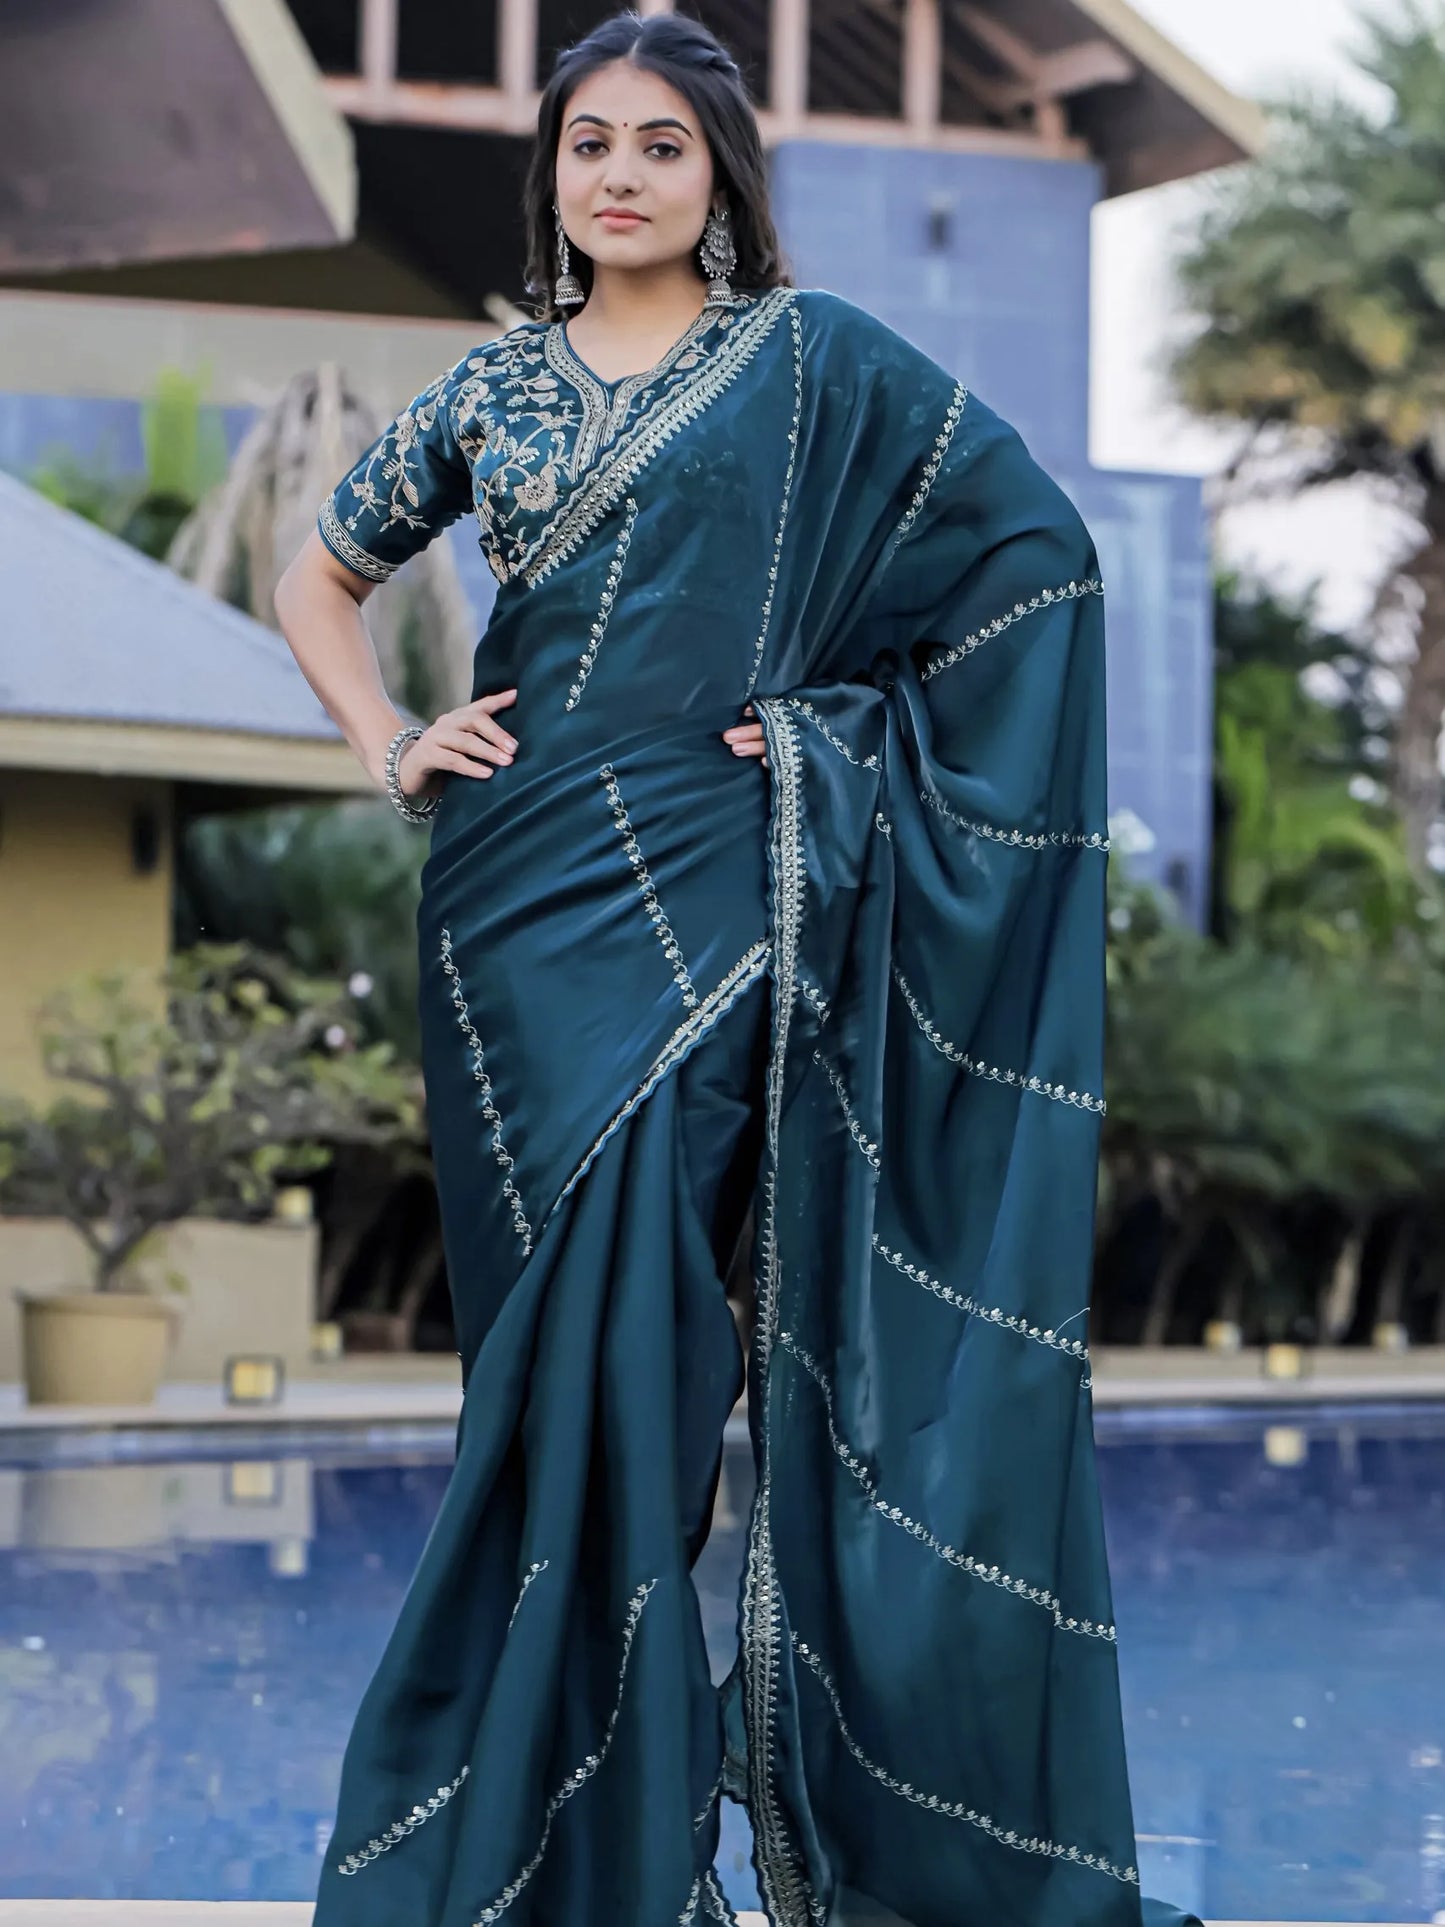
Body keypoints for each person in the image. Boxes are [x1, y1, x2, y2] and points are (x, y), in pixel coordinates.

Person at [275, 13, 1194, 1926]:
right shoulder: (492, 388)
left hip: (720, 899)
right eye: (585, 143)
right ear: (550, 169)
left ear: (721, 177)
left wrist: (842, 735)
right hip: (512, 922)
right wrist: (384, 739)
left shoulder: (815, 368)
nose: (615, 175)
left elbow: (1035, 565)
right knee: (546, 1375)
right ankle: (573, 1862)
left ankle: (701, 1834)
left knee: (677, 1346)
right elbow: (321, 572)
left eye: (659, 148)